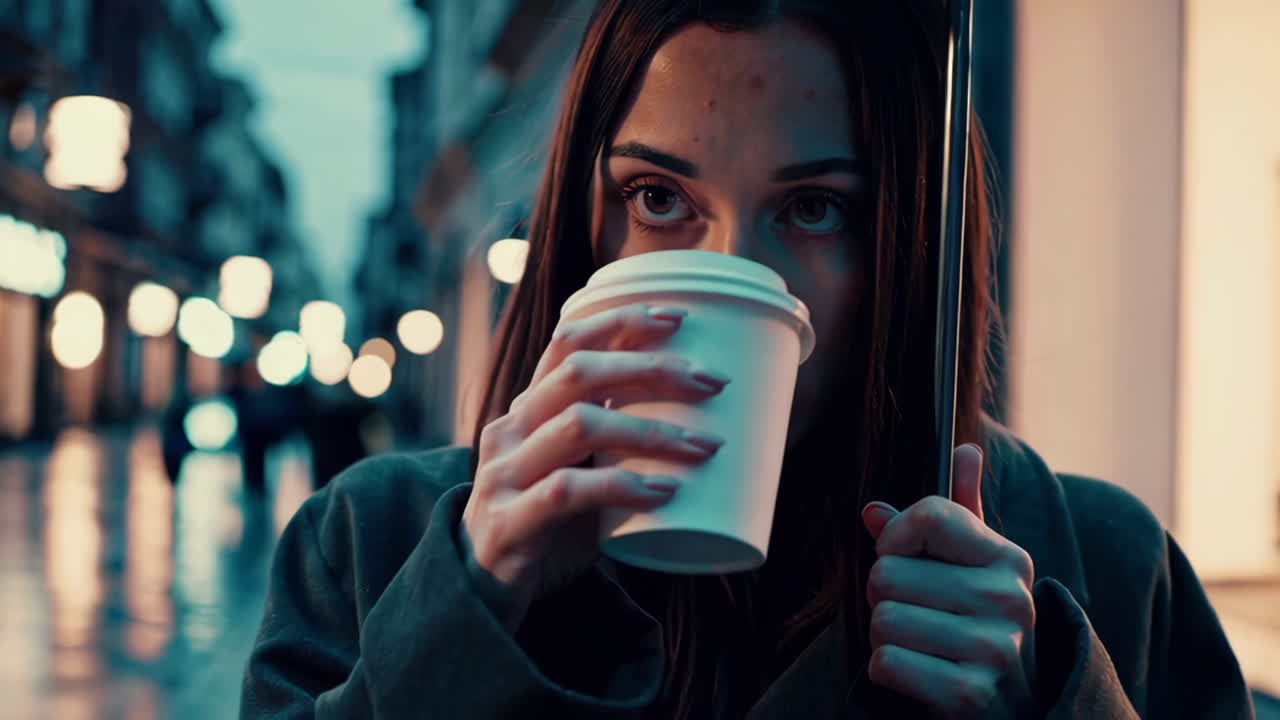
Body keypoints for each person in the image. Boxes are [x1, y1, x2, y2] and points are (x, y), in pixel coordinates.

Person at [239, 1, 1255, 718]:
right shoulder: (371, 545)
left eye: (813, 207)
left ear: (901, 240)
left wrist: (1047, 703)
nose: (727, 271)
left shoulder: (1103, 566)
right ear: (584, 226)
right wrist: (463, 616)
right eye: (658, 198)